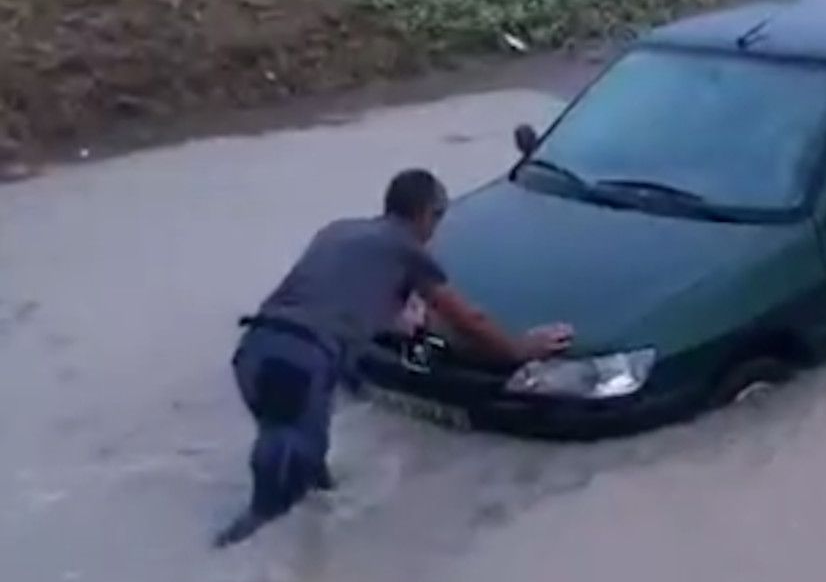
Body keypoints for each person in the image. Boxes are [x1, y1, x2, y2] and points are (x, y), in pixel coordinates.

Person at [214, 168, 573, 547]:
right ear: (425, 215)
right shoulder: (408, 252)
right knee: (271, 514)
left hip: (254, 352)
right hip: (302, 362)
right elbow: (468, 319)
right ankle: (236, 575)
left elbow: (337, 299)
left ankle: (307, 556)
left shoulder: (339, 231)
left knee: (305, 470)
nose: (437, 229)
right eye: (439, 217)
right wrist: (521, 349)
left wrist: (400, 316)